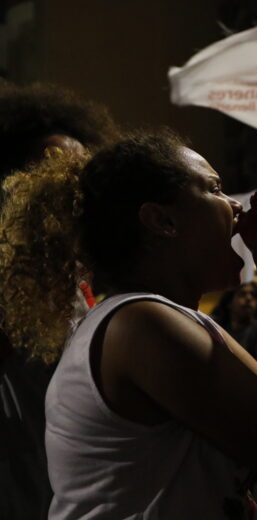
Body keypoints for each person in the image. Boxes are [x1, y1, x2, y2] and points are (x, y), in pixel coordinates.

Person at [0, 131, 257, 517]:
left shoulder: (173, 320)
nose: (236, 207)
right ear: (161, 220)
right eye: (214, 189)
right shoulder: (141, 326)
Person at [0, 81, 121, 519]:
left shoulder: (81, 276)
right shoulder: (9, 273)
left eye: (82, 169)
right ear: (17, 183)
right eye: (54, 167)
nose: (73, 180)